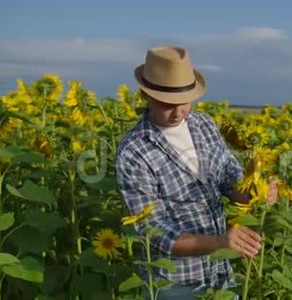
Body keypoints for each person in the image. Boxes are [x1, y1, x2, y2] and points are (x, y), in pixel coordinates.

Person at [115, 45, 277, 299]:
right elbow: (154, 230)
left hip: (219, 274)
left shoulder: (203, 124)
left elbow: (228, 177)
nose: (178, 112)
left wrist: (254, 191)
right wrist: (221, 243)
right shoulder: (134, 152)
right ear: (145, 95)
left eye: (184, 102)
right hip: (175, 283)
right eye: (166, 103)